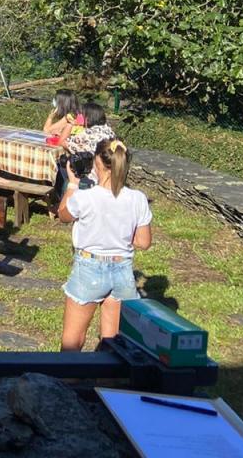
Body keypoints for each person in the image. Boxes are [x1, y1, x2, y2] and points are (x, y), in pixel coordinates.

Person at [58, 136, 153, 351]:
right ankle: (105, 383)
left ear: (97, 163)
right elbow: (144, 242)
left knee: (73, 342)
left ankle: (67, 383)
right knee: (112, 346)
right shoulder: (138, 198)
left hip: (89, 268)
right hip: (123, 271)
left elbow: (63, 215)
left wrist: (72, 185)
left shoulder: (85, 197)